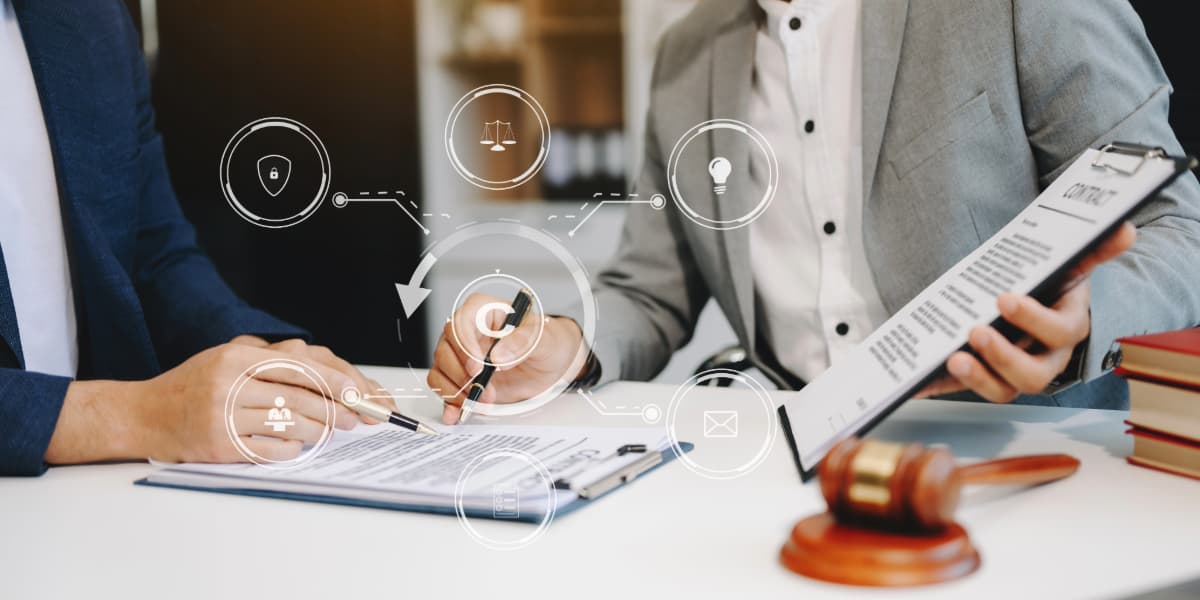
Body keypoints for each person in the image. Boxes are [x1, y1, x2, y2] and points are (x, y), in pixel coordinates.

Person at [430, 0, 1200, 423]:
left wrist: (1082, 320)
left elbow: (1176, 226)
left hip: (1033, 445)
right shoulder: (686, 52)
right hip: (789, 457)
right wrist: (566, 343)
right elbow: (649, 288)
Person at [0, 0, 387, 476]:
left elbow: (152, 250)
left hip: (88, 495)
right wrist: (140, 415)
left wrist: (254, 352)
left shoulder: (92, 17)